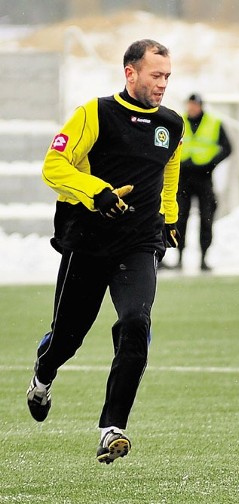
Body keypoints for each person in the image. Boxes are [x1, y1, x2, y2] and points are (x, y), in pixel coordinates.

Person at [26, 39, 184, 465]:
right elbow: (53, 166)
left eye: (167, 76)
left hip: (139, 245)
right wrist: (98, 193)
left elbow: (169, 169)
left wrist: (169, 218)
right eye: (156, 75)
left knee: (135, 322)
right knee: (68, 337)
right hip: (90, 244)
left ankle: (112, 428)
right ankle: (43, 374)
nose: (163, 84)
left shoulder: (172, 124)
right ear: (130, 73)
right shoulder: (94, 114)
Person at [175, 93, 232, 271]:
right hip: (183, 176)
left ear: (200, 106)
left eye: (194, 105)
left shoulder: (213, 123)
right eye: (189, 105)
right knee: (179, 217)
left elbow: (227, 147)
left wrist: (211, 163)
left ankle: (204, 257)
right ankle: (179, 256)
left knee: (206, 217)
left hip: (203, 177)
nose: (191, 108)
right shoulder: (178, 122)